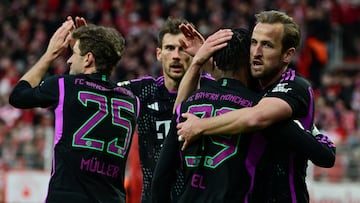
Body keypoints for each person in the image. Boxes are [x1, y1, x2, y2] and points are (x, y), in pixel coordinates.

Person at [152, 27, 335, 202]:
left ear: (215, 61)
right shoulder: (259, 109)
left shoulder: (186, 106)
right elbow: (324, 155)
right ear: (248, 62)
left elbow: (161, 176)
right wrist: (313, 131)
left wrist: (199, 61)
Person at [9, 17, 139, 203]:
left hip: (67, 196)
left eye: (74, 53)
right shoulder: (131, 99)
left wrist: (50, 54)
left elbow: (18, 96)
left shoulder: (64, 85)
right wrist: (92, 41)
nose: (69, 60)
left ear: (88, 58)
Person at [117, 17, 197, 203]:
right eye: (170, 48)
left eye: (183, 48)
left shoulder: (208, 93)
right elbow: (102, 91)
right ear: (159, 54)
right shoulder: (143, 91)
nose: (176, 55)